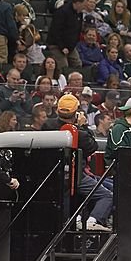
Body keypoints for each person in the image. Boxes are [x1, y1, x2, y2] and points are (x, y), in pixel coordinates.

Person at [44, 94, 111, 231]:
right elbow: (92, 147)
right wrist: (83, 126)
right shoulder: (79, 132)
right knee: (107, 196)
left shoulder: (47, 125)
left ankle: (79, 218)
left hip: (50, 175)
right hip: (76, 176)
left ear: (58, 110)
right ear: (76, 113)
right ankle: (92, 221)